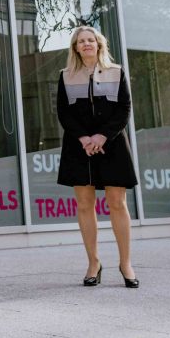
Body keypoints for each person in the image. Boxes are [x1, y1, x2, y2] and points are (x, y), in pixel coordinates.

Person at [56, 26, 139, 289]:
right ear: (75, 48)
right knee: (84, 204)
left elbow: (124, 109)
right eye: (81, 41)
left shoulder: (117, 72)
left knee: (117, 203)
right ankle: (94, 263)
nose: (87, 44)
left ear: (99, 44)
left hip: (112, 144)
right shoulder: (66, 76)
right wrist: (84, 139)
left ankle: (126, 264)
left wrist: (102, 136)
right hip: (78, 146)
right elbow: (64, 113)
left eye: (91, 40)